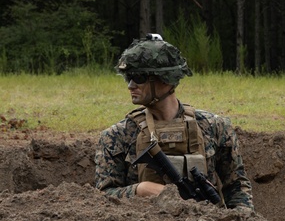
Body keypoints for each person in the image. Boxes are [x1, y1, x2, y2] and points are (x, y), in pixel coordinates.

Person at [95, 34, 255, 211]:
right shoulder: (116, 136)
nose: (130, 85)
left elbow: (238, 189)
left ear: (165, 79)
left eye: (138, 77)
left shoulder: (214, 127)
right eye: (128, 78)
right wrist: (140, 190)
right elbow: (102, 198)